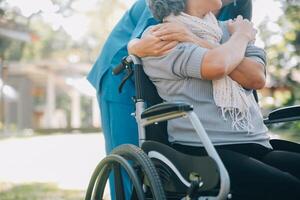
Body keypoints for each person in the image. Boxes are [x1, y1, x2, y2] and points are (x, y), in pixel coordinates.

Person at [87, 0, 253, 199]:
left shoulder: (241, 3)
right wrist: (135, 48)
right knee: (132, 166)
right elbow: (144, 40)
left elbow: (235, 50)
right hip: (121, 75)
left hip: (178, 71)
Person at [141, 0, 300, 199]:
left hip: (258, 144)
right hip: (203, 151)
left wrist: (195, 39)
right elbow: (217, 65)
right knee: (290, 189)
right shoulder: (163, 35)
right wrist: (241, 37)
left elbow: (255, 77)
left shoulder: (230, 29)